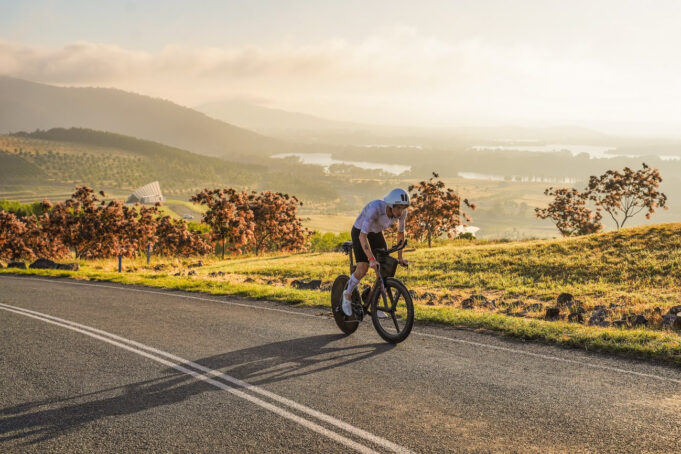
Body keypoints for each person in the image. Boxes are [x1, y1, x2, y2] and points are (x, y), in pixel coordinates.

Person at [341, 188, 409, 317]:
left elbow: (400, 234)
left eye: (403, 208)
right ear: (390, 205)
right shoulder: (375, 208)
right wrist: (371, 259)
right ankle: (347, 294)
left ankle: (374, 303)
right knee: (363, 267)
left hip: (376, 234)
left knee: (383, 268)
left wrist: (400, 258)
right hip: (360, 232)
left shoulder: (402, 213)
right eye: (399, 208)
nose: (401, 212)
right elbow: (362, 236)